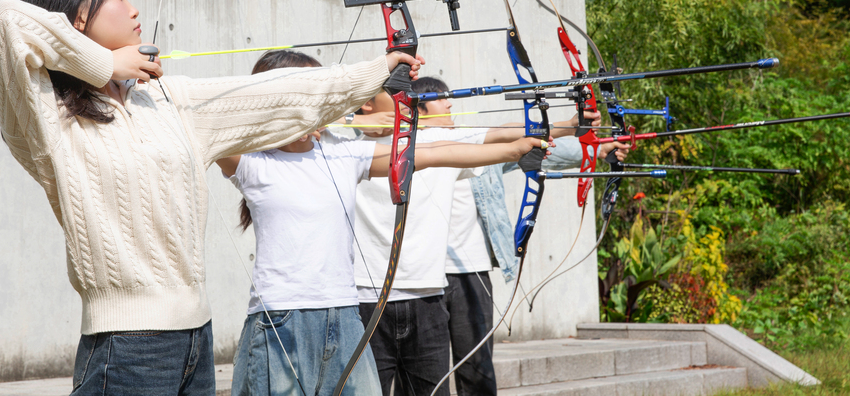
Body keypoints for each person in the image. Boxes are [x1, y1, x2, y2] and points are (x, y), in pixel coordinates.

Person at [0, 0, 422, 396]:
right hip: (124, 349)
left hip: (197, 338)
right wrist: (105, 65)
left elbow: (275, 95)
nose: (134, 9)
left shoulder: (165, 98)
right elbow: (8, 20)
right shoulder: (47, 118)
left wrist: (375, 72)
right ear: (77, 16)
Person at [216, 52, 553, 396]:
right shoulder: (251, 162)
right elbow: (212, 121)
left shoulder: (343, 155)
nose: (321, 101)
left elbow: (436, 153)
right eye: (310, 93)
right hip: (280, 318)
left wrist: (515, 150)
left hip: (345, 317)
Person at [350, 78, 589, 396]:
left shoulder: (433, 140)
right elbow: (292, 125)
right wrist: (355, 121)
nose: (405, 101)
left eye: (408, 96)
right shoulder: (342, 149)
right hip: (366, 301)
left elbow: (500, 134)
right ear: (367, 103)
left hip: (427, 298)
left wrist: (567, 125)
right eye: (396, 95)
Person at [422, 78, 632, 396]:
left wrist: (594, 148)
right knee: (428, 377)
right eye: (440, 99)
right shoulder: (404, 151)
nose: (450, 103)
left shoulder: (471, 145)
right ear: (419, 109)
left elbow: (532, 147)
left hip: (472, 272)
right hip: (425, 277)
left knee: (477, 370)